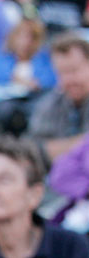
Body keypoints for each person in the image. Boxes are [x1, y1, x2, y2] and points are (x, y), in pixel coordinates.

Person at [28, 32, 89, 164]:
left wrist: (55, 148)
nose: (68, 79)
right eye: (62, 73)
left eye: (74, 70)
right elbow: (32, 151)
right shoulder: (48, 105)